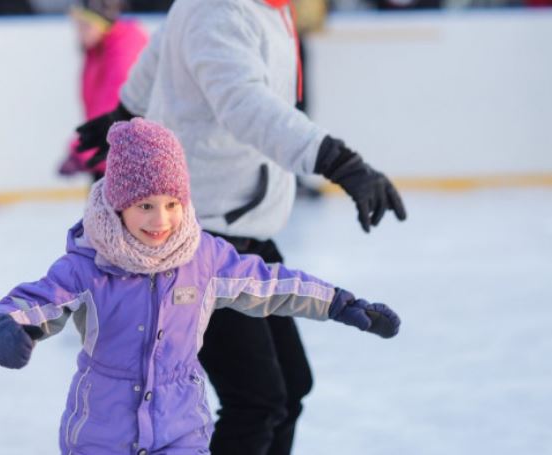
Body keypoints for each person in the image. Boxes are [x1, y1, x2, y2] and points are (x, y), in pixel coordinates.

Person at [73, 1, 408, 453]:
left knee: (289, 389)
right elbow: (245, 105)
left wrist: (125, 110)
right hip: (198, 237)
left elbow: (162, 48)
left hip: (239, 224)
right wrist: (339, 162)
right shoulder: (220, 9)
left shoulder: (256, 6)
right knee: (257, 401)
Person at [0, 119, 400, 455]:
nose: (160, 220)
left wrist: (341, 304)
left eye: (171, 204)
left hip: (181, 432)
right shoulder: (89, 266)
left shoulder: (203, 258)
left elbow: (272, 284)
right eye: (145, 206)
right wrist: (6, 326)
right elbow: (37, 299)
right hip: (100, 435)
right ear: (119, 204)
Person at [58, 0, 148, 181]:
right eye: (77, 24)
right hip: (107, 155)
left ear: (103, 22)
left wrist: (81, 148)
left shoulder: (123, 53)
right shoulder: (98, 48)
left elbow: (112, 108)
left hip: (126, 162)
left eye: (85, 25)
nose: (79, 31)